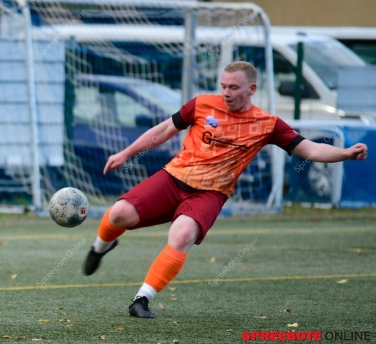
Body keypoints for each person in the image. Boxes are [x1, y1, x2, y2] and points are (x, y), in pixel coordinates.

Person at [82, 61, 368, 318]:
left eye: (234, 87)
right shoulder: (202, 104)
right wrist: (126, 153)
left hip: (210, 194)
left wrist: (345, 153)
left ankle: (141, 300)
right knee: (119, 213)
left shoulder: (268, 124)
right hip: (172, 179)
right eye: (223, 86)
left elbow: (311, 149)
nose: (226, 92)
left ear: (251, 89)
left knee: (181, 235)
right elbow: (163, 130)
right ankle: (100, 247)